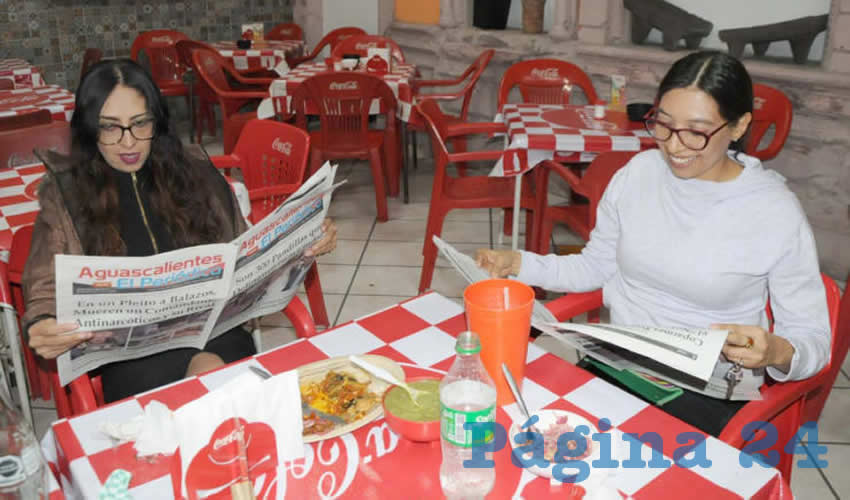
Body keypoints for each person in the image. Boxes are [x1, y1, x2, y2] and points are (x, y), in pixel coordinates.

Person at [476, 50, 830, 436]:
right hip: (621, 364)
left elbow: (813, 340)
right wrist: (519, 264)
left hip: (707, 389)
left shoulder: (773, 211)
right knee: (526, 436)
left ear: (739, 125)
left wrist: (777, 352)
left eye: (696, 131)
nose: (674, 146)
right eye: (663, 124)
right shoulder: (638, 175)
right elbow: (595, 266)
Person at [22, 59, 338, 403]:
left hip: (216, 332)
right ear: (88, 129)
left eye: (140, 124)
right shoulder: (66, 194)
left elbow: (243, 253)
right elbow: (44, 288)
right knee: (212, 386)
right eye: (110, 128)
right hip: (132, 357)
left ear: (157, 121)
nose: (128, 142)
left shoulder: (195, 173)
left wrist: (302, 244)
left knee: (210, 371)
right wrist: (42, 323)